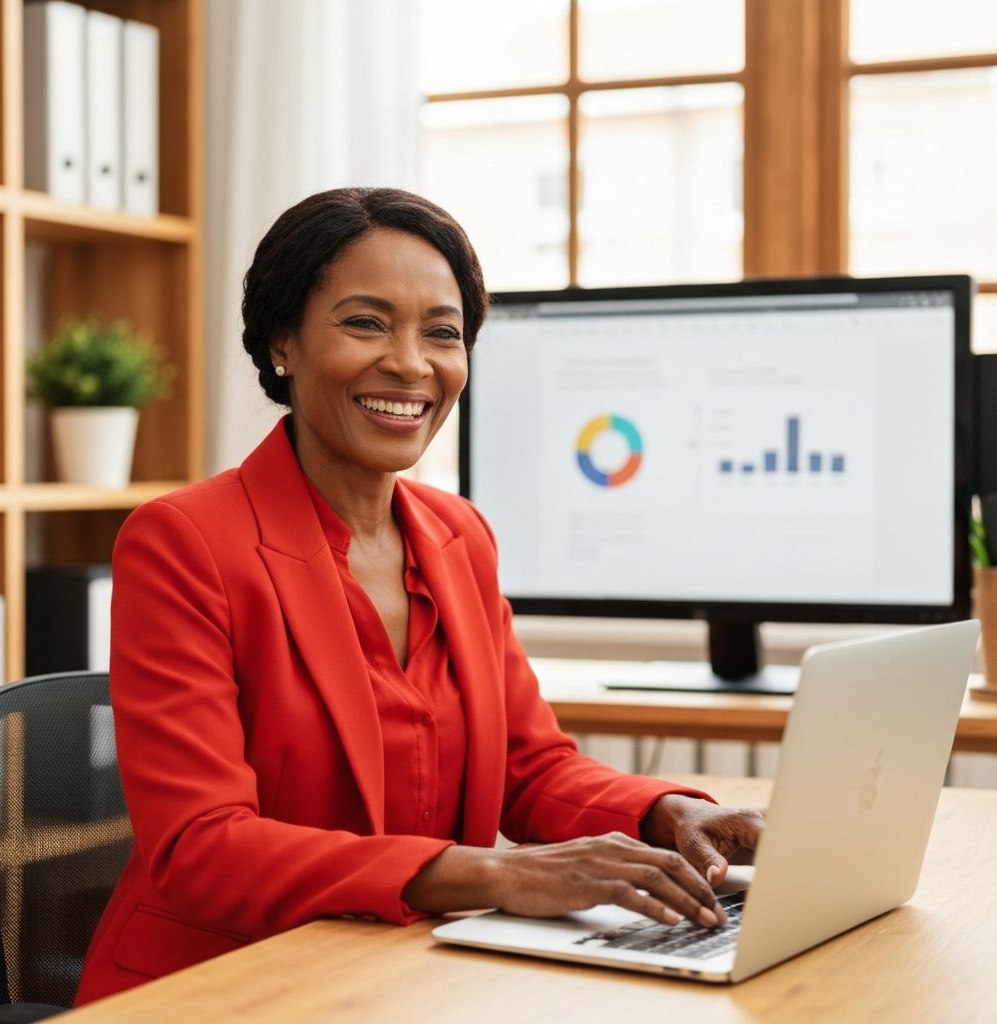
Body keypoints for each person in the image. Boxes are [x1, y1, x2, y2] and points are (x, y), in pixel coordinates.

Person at [75, 188, 764, 1004]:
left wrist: (668, 813)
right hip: (224, 986)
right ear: (282, 342)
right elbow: (201, 848)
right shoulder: (184, 541)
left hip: (404, 978)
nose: (411, 363)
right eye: (366, 323)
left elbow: (528, 768)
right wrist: (496, 875)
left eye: (443, 333)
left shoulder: (458, 535)